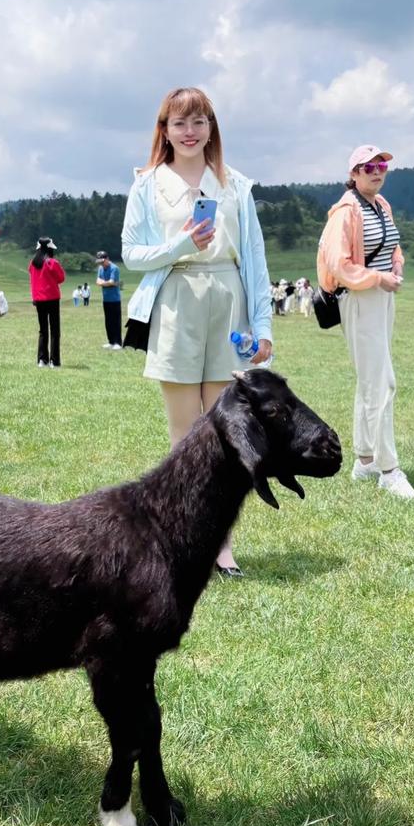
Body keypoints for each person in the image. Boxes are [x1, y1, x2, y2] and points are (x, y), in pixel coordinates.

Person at [121, 86, 272, 576]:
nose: (189, 132)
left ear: (212, 127)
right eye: (179, 123)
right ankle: (184, 541)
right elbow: (131, 254)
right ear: (163, 130)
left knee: (227, 433)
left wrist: (263, 325)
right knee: (185, 435)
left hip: (229, 304)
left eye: (199, 121)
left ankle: (222, 545)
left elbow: (253, 259)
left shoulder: (235, 185)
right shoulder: (147, 185)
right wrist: (181, 242)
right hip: (176, 303)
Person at [317, 145, 414, 499]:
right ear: (354, 173)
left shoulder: (381, 205)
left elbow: (393, 245)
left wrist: (397, 265)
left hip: (382, 298)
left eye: (381, 166)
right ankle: (389, 470)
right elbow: (337, 263)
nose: (377, 171)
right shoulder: (346, 212)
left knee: (371, 380)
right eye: (368, 166)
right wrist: (377, 278)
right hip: (359, 298)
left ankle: (365, 459)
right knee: (383, 383)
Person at [29, 236, 66, 367]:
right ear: (50, 249)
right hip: (52, 299)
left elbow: (32, 281)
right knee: (55, 330)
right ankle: (54, 361)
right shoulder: (52, 262)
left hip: (39, 300)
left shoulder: (33, 263)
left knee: (43, 330)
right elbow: (61, 278)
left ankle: (42, 359)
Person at [95, 250, 122, 349]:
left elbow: (112, 282)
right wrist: (107, 283)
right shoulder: (101, 268)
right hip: (106, 299)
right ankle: (111, 341)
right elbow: (98, 281)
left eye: (102, 261)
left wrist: (105, 283)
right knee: (108, 321)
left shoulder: (114, 268)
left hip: (115, 299)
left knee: (116, 321)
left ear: (107, 259)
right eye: (100, 262)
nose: (101, 264)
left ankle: (118, 342)